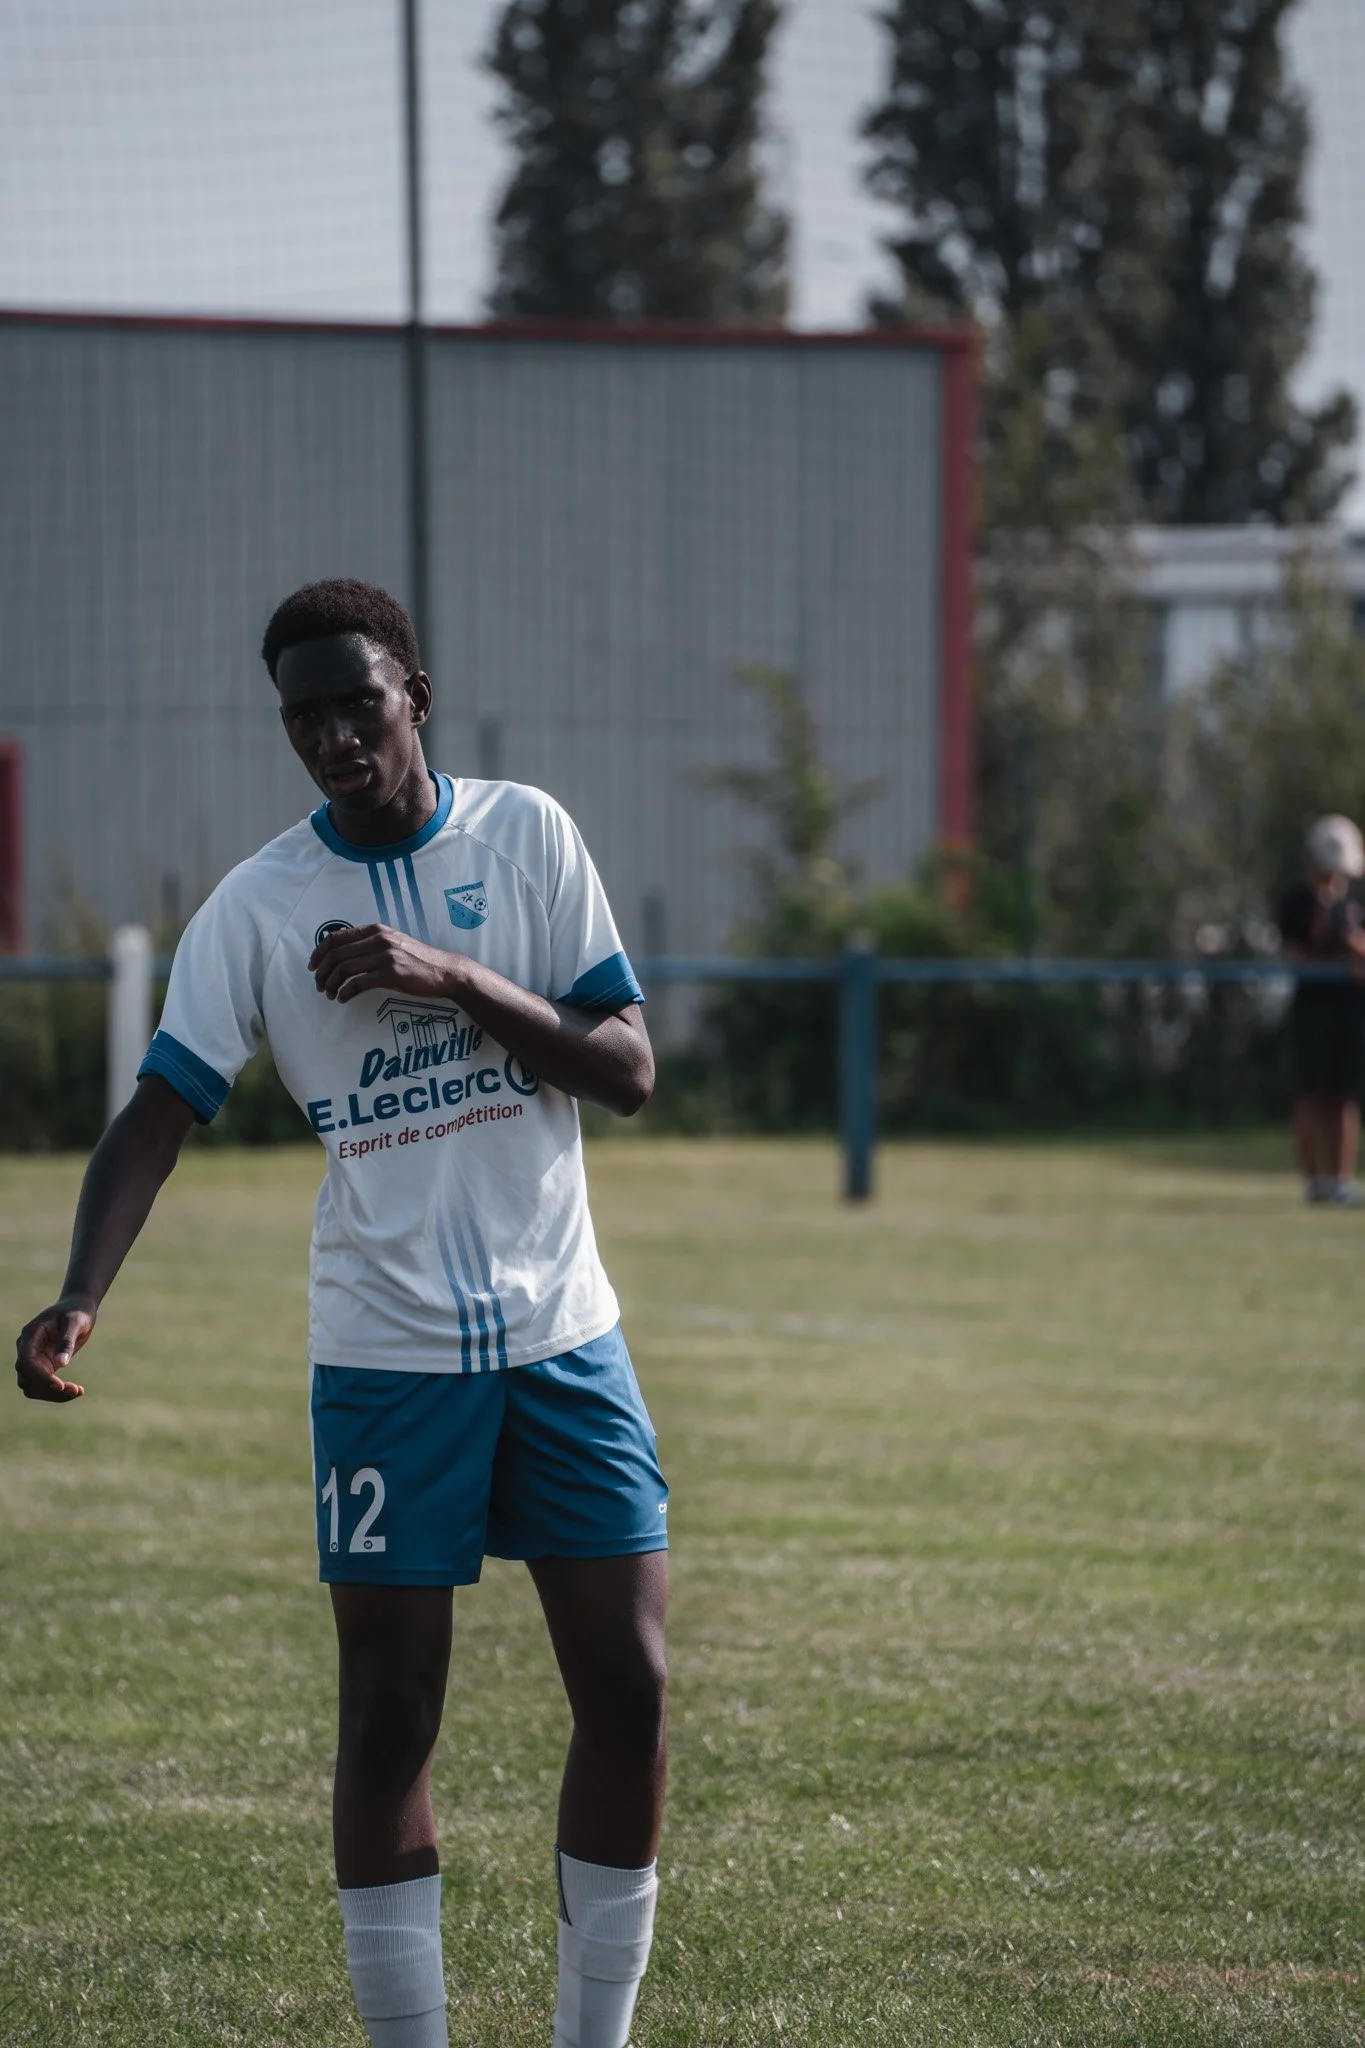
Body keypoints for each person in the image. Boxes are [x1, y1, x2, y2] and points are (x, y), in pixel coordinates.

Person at [13, 580, 669, 2048]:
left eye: (355, 705)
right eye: (301, 716)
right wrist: (77, 1293)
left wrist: (446, 976)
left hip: (564, 1333)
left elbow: (625, 1066)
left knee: (629, 1691)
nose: (330, 738)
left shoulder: (527, 838)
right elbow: (159, 1111)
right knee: (387, 1718)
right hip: (384, 1359)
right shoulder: (258, 907)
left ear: (415, 694)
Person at [1278, 812, 1365, 1206]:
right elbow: (1295, 955)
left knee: (1343, 1096)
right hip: (1312, 1008)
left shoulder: (1355, 902)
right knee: (1312, 1094)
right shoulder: (1296, 901)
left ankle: (1341, 1179)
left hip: (1349, 1007)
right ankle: (1314, 1182)